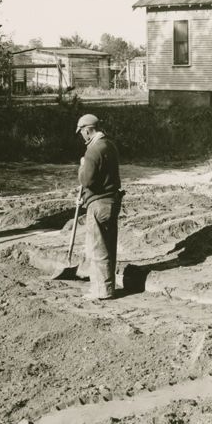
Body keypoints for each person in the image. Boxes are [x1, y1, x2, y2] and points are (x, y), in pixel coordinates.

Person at [75, 113, 123, 300]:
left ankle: (101, 292)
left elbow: (86, 180)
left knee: (97, 248)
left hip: (99, 204)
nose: (82, 136)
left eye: (82, 132)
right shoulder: (110, 145)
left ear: (88, 130)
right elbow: (103, 178)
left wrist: (82, 166)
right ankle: (106, 287)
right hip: (112, 201)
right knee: (108, 246)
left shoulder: (93, 151)